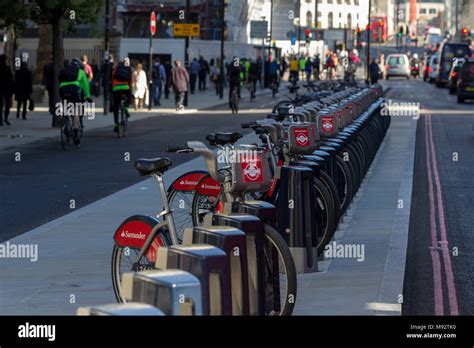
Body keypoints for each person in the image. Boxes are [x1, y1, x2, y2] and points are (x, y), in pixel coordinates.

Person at [58, 58, 91, 145]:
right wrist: (88, 96)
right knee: (75, 110)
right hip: (73, 89)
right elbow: (85, 85)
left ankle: (65, 121)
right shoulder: (81, 71)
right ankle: (75, 131)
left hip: (63, 89)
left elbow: (59, 81)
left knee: (65, 106)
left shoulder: (64, 70)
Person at [111, 57, 132, 133]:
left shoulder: (115, 70)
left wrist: (112, 90)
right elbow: (130, 82)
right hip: (125, 88)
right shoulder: (128, 70)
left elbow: (112, 81)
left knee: (116, 107)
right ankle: (125, 108)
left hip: (116, 89)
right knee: (128, 98)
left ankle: (116, 125)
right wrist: (130, 92)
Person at [0, 55, 14, 126]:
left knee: (0, 105)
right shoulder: (7, 68)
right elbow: (10, 80)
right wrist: (12, 90)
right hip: (7, 89)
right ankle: (5, 117)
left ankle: (0, 119)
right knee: (7, 105)